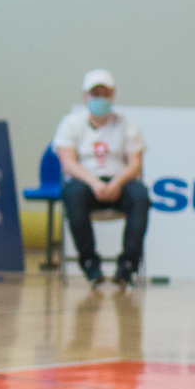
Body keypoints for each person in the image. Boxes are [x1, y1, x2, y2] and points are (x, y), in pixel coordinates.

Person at [54, 69, 148, 286]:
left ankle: (128, 264)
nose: (101, 99)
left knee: (140, 196)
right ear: (85, 96)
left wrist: (116, 183)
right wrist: (94, 183)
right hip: (86, 182)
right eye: (95, 94)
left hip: (120, 182)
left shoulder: (128, 125)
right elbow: (68, 163)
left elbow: (135, 165)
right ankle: (89, 262)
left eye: (106, 94)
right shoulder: (70, 123)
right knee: (73, 194)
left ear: (113, 95)